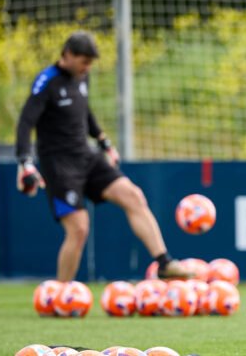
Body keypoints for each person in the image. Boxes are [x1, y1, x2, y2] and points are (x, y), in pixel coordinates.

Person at [15, 31, 191, 282]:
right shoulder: (46, 82)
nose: (88, 67)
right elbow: (25, 122)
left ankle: (164, 263)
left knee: (133, 196)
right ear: (67, 55)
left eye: (90, 63)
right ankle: (61, 293)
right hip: (60, 164)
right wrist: (25, 163)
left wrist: (103, 141)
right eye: (84, 61)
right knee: (79, 229)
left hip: (87, 156)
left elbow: (84, 112)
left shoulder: (82, 78)